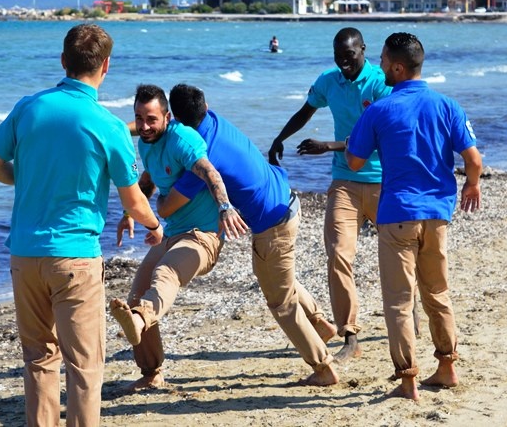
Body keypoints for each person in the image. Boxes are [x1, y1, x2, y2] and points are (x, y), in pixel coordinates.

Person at [0, 24, 163, 426]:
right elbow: (132, 199)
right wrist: (155, 223)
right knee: (84, 366)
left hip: (25, 254)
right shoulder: (109, 125)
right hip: (75, 258)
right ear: (106, 67)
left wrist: (27, 178)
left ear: (63, 61)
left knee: (40, 359)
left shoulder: (29, 107)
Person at [164, 83, 339, 385]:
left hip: (273, 224)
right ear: (204, 105)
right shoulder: (214, 121)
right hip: (287, 200)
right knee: (275, 275)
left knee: (279, 301)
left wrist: (154, 200)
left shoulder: (202, 156)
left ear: (177, 119)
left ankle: (324, 368)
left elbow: (169, 207)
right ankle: (319, 322)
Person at [344, 32, 482, 401]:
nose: (380, 67)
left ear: (398, 66)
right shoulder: (447, 105)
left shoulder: (379, 109)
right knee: (437, 291)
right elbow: (474, 161)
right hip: (437, 215)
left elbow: (354, 162)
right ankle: (447, 366)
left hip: (397, 214)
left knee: (399, 301)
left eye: (384, 61)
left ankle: (407, 380)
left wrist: (366, 123)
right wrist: (472, 187)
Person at [110, 84, 247, 391]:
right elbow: (148, 180)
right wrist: (131, 214)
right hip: (172, 234)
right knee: (136, 294)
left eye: (151, 119)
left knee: (165, 272)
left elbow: (210, 172)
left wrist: (225, 207)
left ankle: (141, 317)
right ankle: (152, 372)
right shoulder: (146, 144)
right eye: (139, 118)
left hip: (202, 237)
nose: (144, 126)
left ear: (167, 116)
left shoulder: (182, 138)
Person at [268, 27, 391, 362]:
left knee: (402, 255)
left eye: (349, 56)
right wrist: (279, 138)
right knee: (338, 255)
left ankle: (411, 313)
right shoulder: (329, 80)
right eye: (338, 57)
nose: (343, 63)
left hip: (383, 181)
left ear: (363, 49)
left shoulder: (381, 83)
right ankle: (349, 335)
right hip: (344, 181)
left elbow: (382, 135)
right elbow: (306, 110)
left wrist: (330, 146)